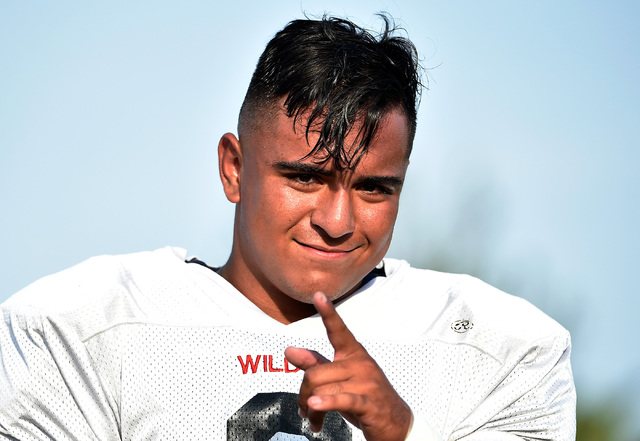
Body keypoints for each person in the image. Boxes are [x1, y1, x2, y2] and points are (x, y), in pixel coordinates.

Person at [0, 15, 576, 441]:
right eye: (305, 178)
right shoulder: (83, 329)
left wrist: (403, 433)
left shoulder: (496, 348)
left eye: (375, 187)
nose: (336, 221)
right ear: (234, 168)